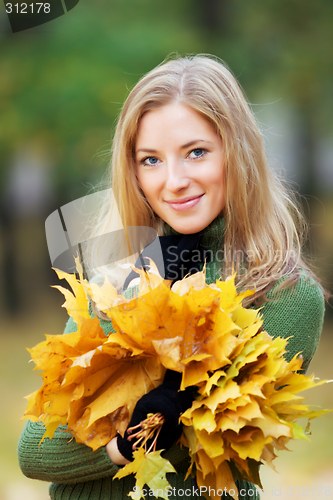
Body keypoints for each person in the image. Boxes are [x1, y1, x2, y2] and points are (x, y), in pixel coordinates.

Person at [18, 55, 325, 500]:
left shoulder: (281, 293)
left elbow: (200, 436)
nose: (174, 181)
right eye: (151, 160)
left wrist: (117, 442)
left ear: (236, 154)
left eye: (196, 152)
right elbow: (37, 451)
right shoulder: (117, 273)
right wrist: (138, 285)